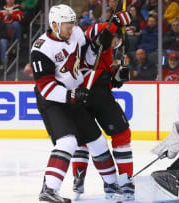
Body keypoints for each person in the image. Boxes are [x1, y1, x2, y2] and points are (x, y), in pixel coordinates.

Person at [31, 4, 128, 202]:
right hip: (53, 100)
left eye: (72, 24)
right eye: (67, 25)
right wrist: (72, 95)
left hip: (73, 95)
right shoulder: (41, 49)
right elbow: (46, 88)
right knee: (68, 141)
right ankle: (49, 189)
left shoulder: (75, 33)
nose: (71, 28)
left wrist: (98, 43)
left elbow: (87, 60)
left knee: (98, 141)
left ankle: (111, 185)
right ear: (55, 25)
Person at [70, 10, 135, 200]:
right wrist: (115, 22)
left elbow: (98, 65)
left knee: (83, 138)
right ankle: (125, 181)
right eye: (117, 40)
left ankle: (78, 180)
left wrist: (113, 77)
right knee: (122, 134)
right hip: (94, 91)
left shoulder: (95, 46)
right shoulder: (90, 31)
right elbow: (97, 31)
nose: (116, 44)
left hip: (77, 93)